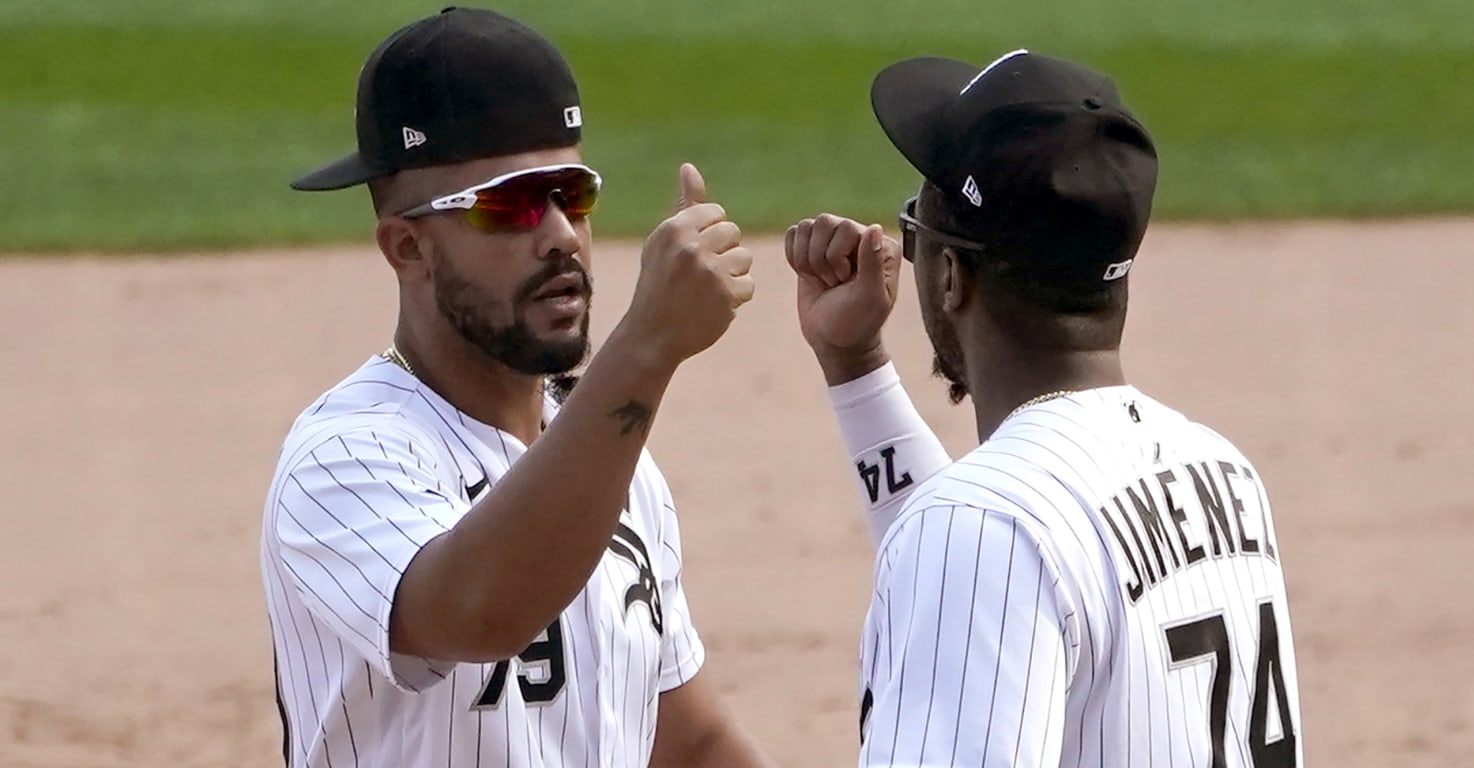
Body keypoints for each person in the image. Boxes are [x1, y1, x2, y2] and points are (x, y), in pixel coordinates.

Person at [260, 7, 772, 767]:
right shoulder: (344, 459)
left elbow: (688, 744)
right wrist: (648, 346)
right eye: (512, 204)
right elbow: (477, 611)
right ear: (409, 247)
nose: (560, 232)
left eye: (572, 192)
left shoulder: (612, 457)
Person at [785, 50, 1304, 766]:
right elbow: (999, 548)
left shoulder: (983, 527)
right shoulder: (1223, 474)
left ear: (948, 277)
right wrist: (856, 367)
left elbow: (984, 541)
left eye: (918, 237)